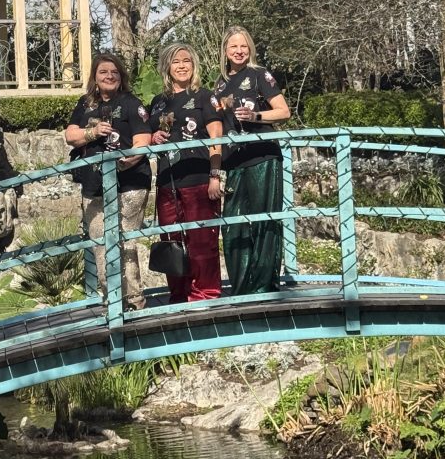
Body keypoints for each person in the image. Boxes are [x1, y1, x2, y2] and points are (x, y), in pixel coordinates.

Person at [65, 52, 151, 310]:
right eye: (103, 72)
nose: (109, 76)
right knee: (100, 242)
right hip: (94, 185)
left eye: (114, 72)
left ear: (121, 76)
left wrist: (127, 161)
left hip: (130, 183)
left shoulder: (131, 103)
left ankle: (134, 302)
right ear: (95, 76)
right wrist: (92, 132)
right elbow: (71, 135)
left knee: (124, 242)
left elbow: (142, 141)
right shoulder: (85, 104)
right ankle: (113, 301)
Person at [211, 26, 291, 295]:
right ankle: (242, 287)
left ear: (250, 48)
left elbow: (283, 111)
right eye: (233, 46)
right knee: (232, 225)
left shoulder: (259, 75)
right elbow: (215, 127)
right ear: (225, 51)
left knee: (264, 221)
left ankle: (264, 287)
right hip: (234, 162)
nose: (239, 50)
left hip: (262, 156)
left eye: (243, 45)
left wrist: (256, 115)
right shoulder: (219, 84)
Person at [148, 43, 223, 303]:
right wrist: (153, 137)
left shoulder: (204, 97)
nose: (182, 66)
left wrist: (215, 175)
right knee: (171, 238)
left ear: (194, 65)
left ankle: (205, 293)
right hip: (168, 180)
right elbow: (147, 135)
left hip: (199, 178)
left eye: (187, 61)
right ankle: (179, 293)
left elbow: (216, 137)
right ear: (167, 66)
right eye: (176, 61)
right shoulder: (158, 102)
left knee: (202, 240)